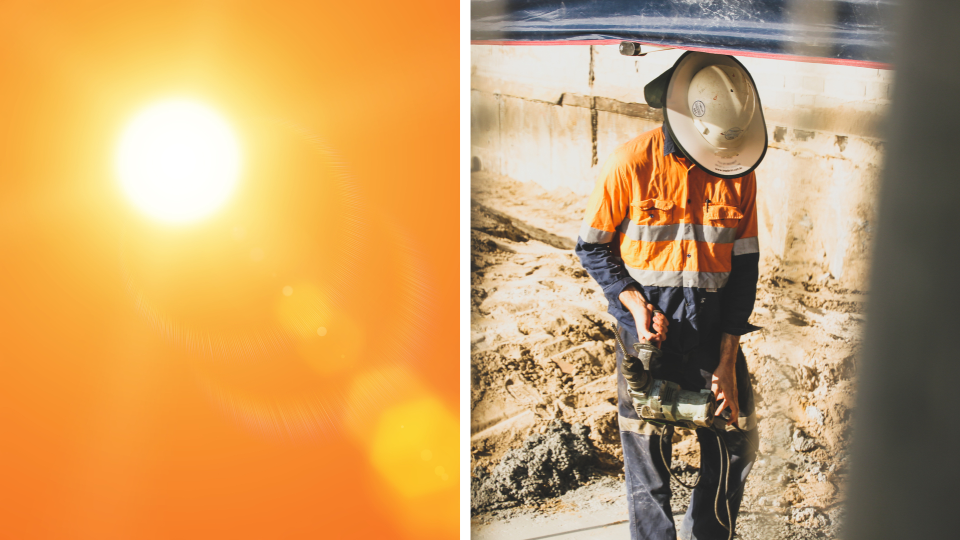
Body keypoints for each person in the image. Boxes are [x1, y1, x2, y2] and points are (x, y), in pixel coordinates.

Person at [575, 51, 766, 540]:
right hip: (646, 333)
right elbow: (593, 250)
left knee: (735, 441)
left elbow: (743, 271)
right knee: (646, 454)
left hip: (711, 328)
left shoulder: (739, 172)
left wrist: (727, 357)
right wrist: (633, 303)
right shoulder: (628, 165)